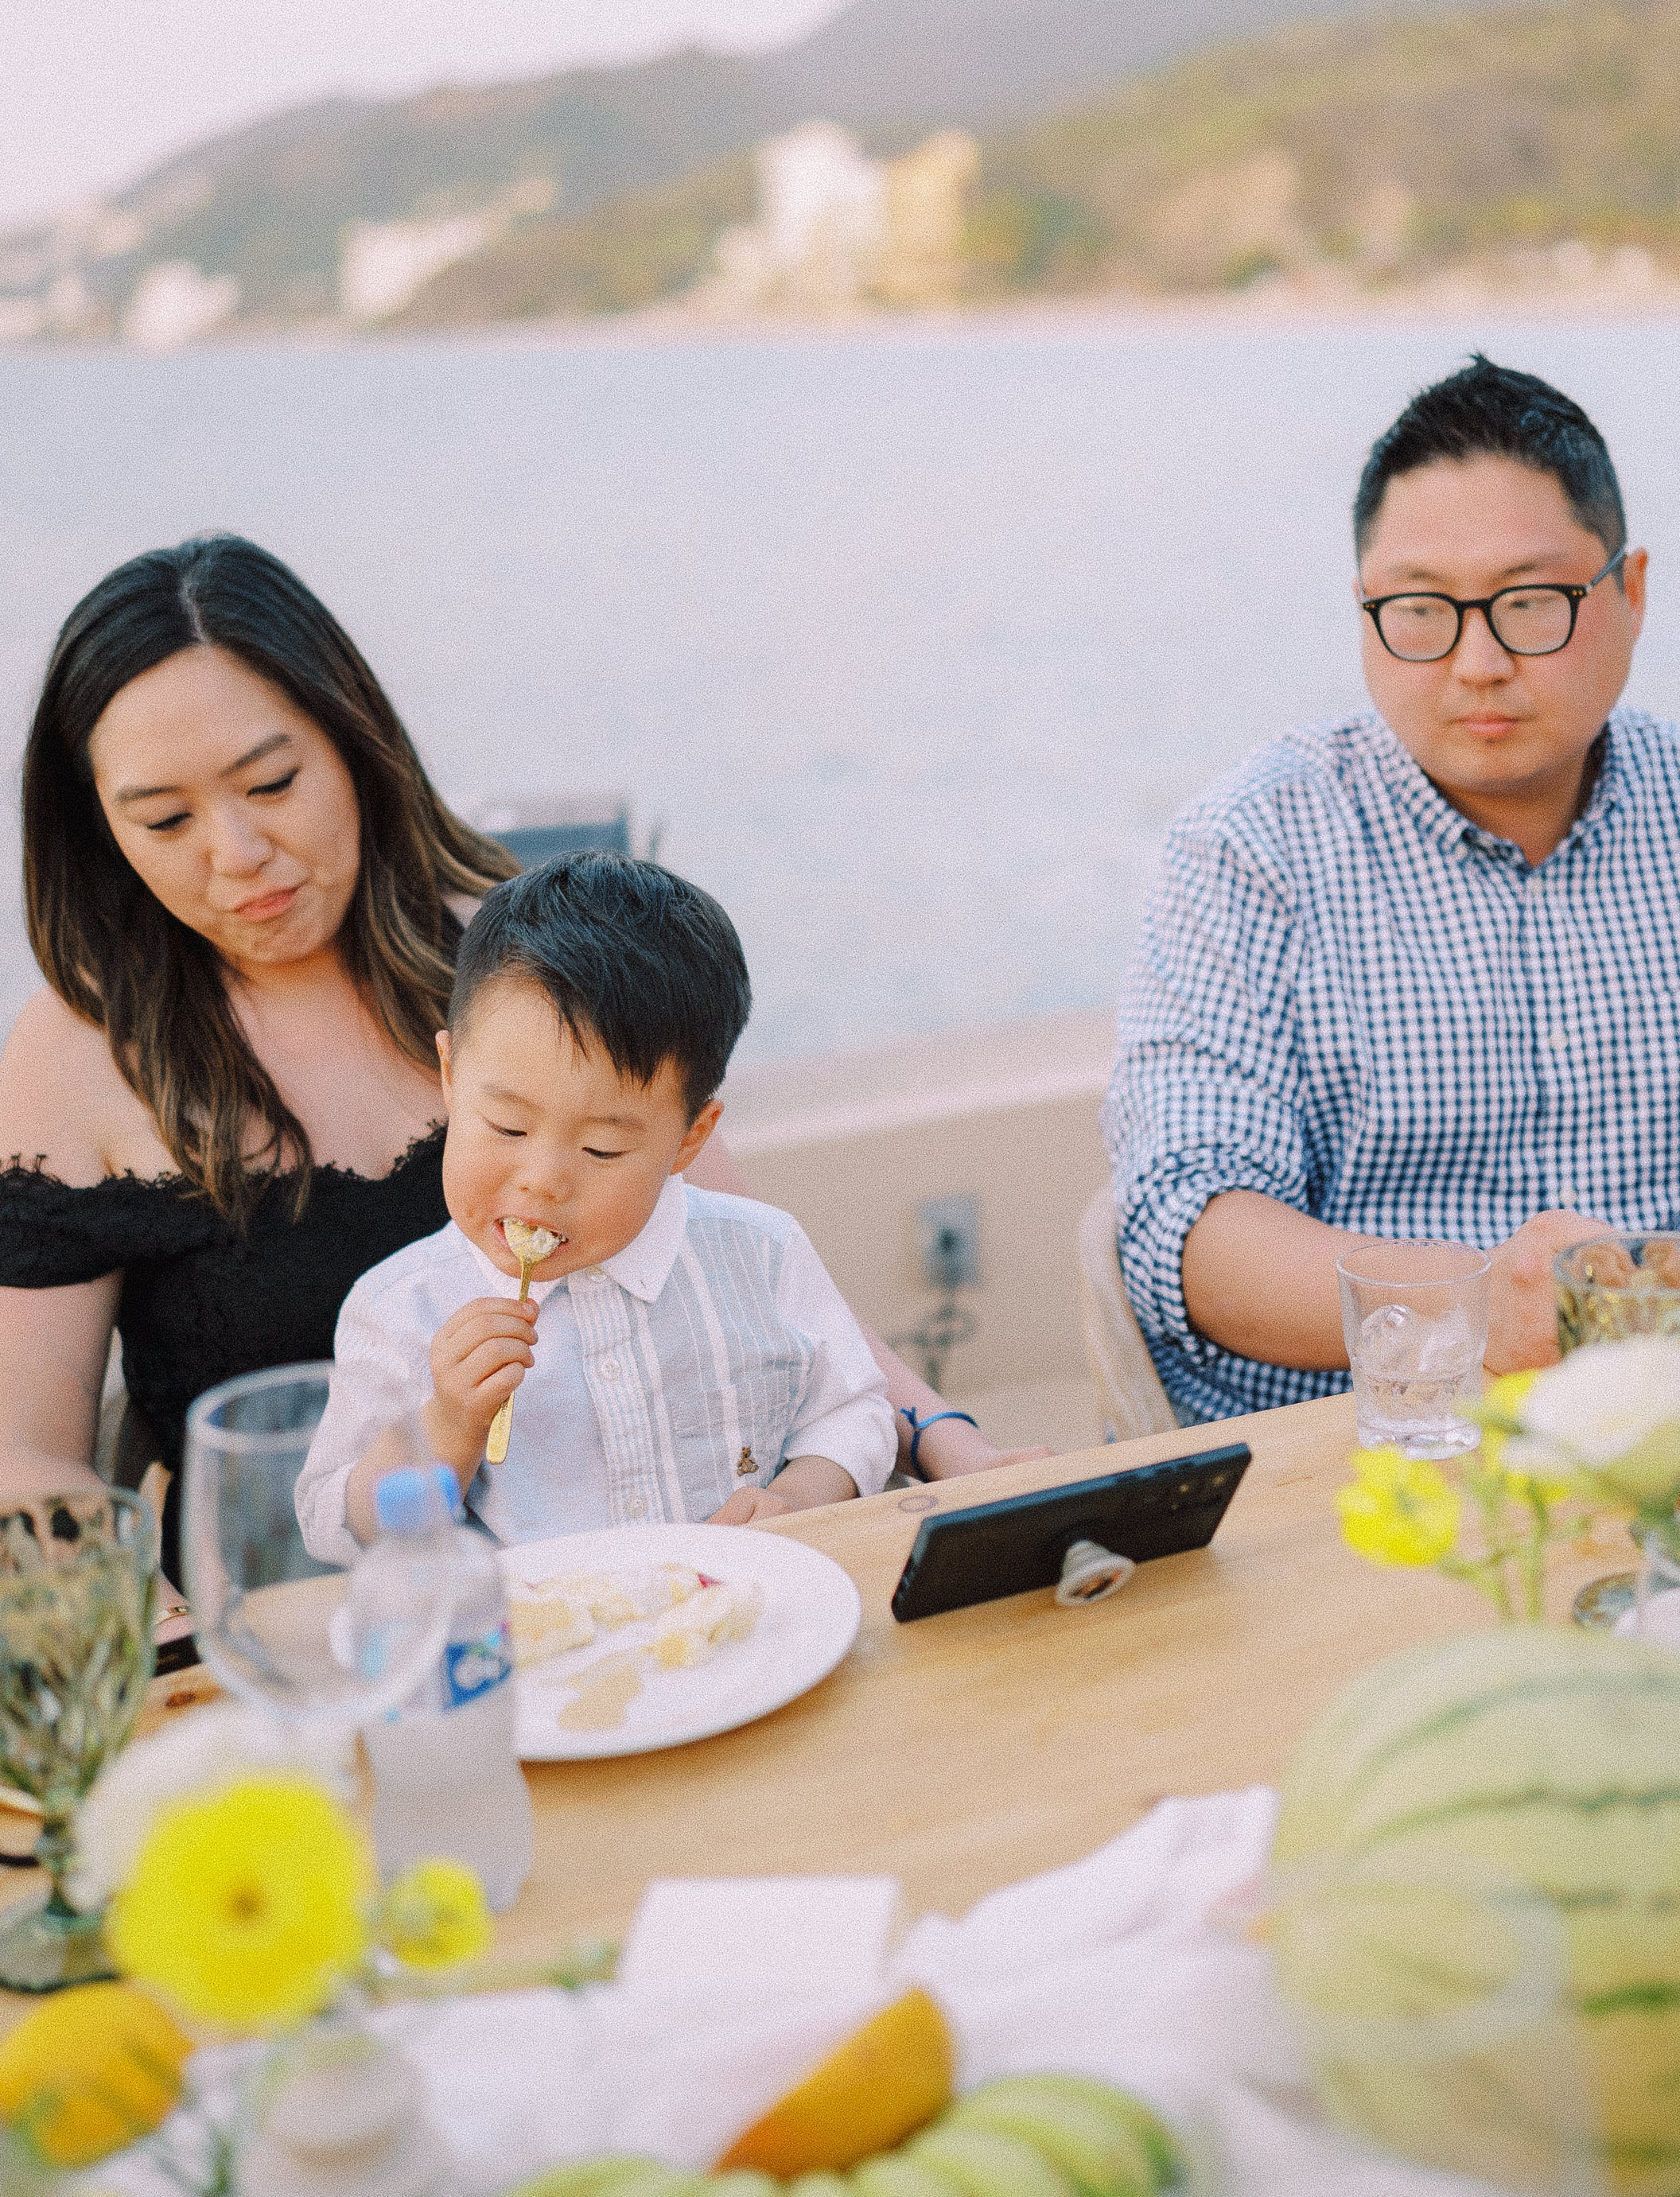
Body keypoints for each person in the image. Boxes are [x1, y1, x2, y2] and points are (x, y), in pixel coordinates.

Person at [0, 535, 1021, 1592]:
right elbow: (27, 1448)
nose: (234, 851)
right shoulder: (75, 1056)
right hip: (300, 1618)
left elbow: (730, 1256)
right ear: (98, 826)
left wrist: (944, 1437)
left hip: (621, 1594)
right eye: (163, 818)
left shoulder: (512, 958)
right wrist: (128, 1629)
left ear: (352, 744)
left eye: (271, 783)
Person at [1102, 356, 1680, 1424]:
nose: (1476, 662)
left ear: (1631, 590)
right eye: (1419, 610)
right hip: (1373, 1450)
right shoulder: (1250, 848)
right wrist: (1476, 1305)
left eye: (1530, 601)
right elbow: (1192, 1236)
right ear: (1365, 605)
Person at [296, 853, 895, 1561]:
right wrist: (448, 1426)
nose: (543, 1180)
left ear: (689, 1138)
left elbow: (853, 1412)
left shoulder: (761, 1255)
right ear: (453, 1077)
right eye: (509, 1129)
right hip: (534, 1652)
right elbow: (334, 1529)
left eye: (604, 1150)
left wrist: (795, 1501)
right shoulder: (400, 1309)